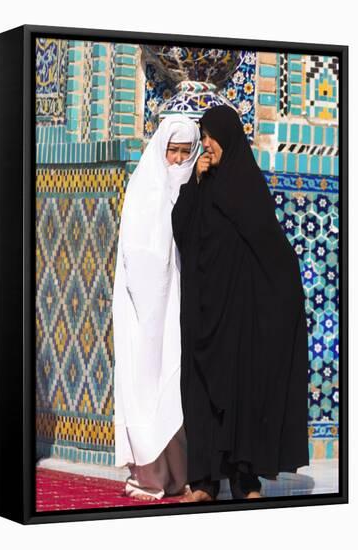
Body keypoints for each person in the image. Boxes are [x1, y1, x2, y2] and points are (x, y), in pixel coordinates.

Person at [171, 105, 310, 503]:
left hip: (240, 319)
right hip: (203, 314)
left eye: (209, 136)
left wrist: (285, 299)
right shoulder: (200, 186)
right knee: (201, 397)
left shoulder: (247, 188)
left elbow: (273, 250)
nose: (205, 144)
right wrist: (193, 186)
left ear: (227, 137)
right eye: (203, 136)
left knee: (241, 395)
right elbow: (182, 231)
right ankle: (203, 483)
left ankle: (246, 482)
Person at [112, 114, 201, 500]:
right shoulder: (143, 187)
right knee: (144, 380)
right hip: (146, 306)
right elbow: (136, 250)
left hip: (181, 305)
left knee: (176, 385)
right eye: (172, 152)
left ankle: (180, 473)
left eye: (186, 153)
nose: (178, 161)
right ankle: (149, 473)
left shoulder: (196, 186)